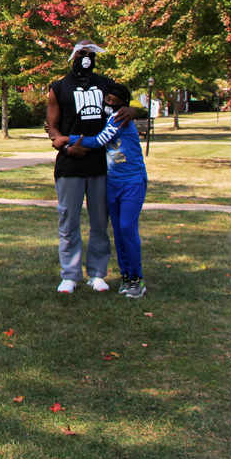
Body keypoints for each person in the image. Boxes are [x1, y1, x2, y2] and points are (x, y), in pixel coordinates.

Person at [45, 40, 133, 294]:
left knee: (99, 221)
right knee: (68, 221)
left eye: (91, 54)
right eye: (82, 53)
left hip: (101, 164)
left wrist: (130, 110)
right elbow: (52, 128)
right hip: (70, 164)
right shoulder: (58, 87)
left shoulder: (106, 85)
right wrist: (66, 148)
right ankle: (70, 275)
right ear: (73, 55)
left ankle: (97, 273)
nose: (86, 58)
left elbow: (124, 106)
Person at [72, 83, 148, 298]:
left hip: (133, 182)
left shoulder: (119, 119)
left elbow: (98, 142)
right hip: (113, 182)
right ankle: (126, 277)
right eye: (108, 100)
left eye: (116, 101)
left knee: (127, 228)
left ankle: (136, 278)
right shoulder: (108, 119)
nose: (111, 104)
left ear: (123, 104)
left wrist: (64, 139)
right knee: (119, 231)